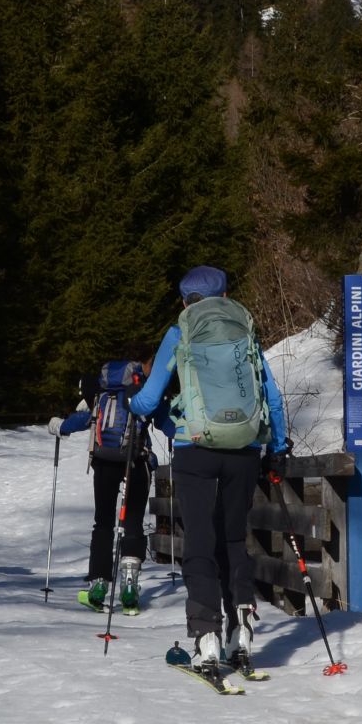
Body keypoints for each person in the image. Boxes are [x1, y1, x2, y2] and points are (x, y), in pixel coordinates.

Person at [128, 265, 289, 674]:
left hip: (196, 448)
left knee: (200, 540)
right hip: (244, 448)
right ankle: (241, 629)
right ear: (225, 295)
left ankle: (206, 636)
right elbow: (271, 395)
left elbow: (149, 399)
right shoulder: (244, 329)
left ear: (184, 301)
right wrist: (277, 446)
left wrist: (135, 405)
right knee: (234, 539)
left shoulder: (179, 332)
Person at [57, 358, 159, 615]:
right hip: (136, 462)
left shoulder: (102, 395)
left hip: (103, 462)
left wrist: (60, 426)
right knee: (133, 522)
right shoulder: (141, 392)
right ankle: (129, 587)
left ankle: (99, 584)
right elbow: (163, 418)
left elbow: (83, 420)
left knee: (103, 523)